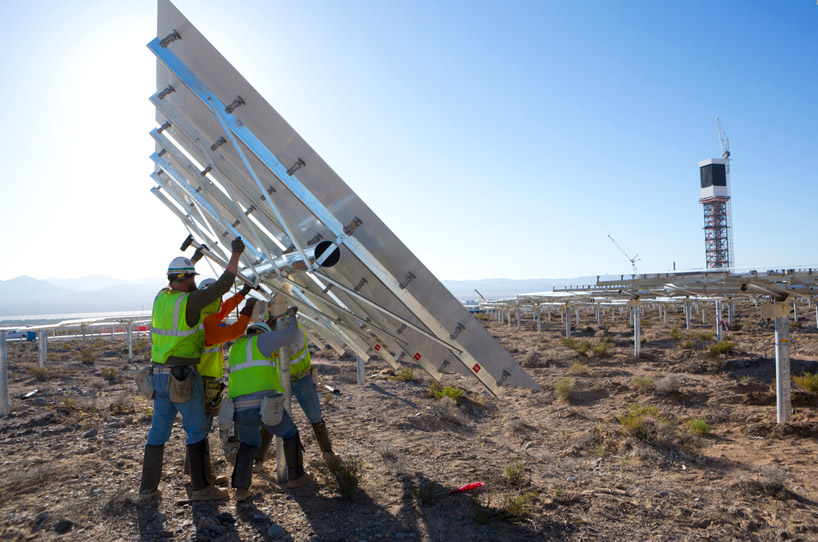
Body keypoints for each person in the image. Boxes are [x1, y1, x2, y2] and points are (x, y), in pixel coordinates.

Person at [138, 236, 244, 502]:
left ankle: (147, 491)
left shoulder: (161, 297)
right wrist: (235, 253)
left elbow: (176, 278)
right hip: (182, 376)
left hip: (158, 376)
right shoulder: (191, 302)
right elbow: (223, 285)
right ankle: (202, 488)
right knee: (196, 430)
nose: (196, 282)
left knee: (158, 432)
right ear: (185, 279)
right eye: (193, 277)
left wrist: (195, 258)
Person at [227, 305, 314, 501]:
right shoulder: (264, 341)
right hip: (263, 405)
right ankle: (296, 476)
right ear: (263, 333)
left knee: (248, 443)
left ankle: (241, 489)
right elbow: (291, 334)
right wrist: (291, 315)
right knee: (290, 432)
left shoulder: (235, 348)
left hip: (239, 409)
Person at [182, 278, 257, 485]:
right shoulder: (208, 323)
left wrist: (242, 293)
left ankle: (192, 469)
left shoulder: (201, 315)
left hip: (197, 378)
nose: (220, 301)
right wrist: (247, 311)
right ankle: (201, 476)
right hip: (205, 380)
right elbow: (234, 331)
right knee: (202, 427)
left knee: (196, 426)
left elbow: (224, 309)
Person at [253, 303, 336, 473]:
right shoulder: (277, 334)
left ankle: (327, 452)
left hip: (302, 379)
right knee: (272, 416)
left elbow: (289, 347)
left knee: (315, 415)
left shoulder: (296, 332)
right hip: (283, 382)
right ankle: (258, 459)